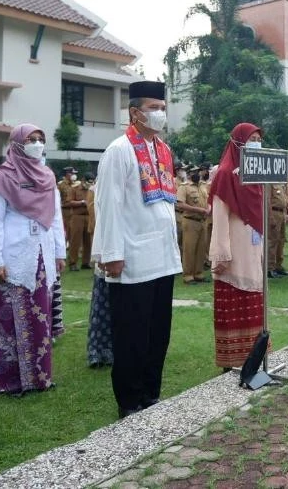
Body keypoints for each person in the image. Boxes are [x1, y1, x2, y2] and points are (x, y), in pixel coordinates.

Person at [92, 81, 182, 419]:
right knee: (132, 332)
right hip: (130, 256)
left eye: (162, 107)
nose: (160, 113)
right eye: (153, 107)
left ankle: (150, 392)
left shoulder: (163, 149)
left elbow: (165, 204)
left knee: (158, 331)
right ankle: (129, 400)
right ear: (135, 112)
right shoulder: (119, 149)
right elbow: (109, 205)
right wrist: (111, 252)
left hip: (162, 255)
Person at [0, 124, 65, 395]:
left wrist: (59, 253)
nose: (37, 143)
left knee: (40, 316)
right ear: (17, 143)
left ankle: (41, 378)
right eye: (31, 139)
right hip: (14, 255)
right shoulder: (1, 178)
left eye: (41, 139)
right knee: (11, 319)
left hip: (43, 252)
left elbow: (55, 218)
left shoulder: (47, 176)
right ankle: (11, 383)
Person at [208, 123, 269, 370]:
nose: (256, 143)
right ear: (238, 142)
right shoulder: (225, 173)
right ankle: (231, 361)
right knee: (236, 300)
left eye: (258, 138)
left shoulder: (255, 175)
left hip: (253, 249)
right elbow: (219, 218)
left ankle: (254, 358)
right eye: (251, 139)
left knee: (255, 299)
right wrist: (222, 254)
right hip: (234, 253)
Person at [178, 165, 209, 284]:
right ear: (189, 174)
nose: (196, 174)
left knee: (201, 249)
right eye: (193, 172)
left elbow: (208, 199)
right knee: (189, 249)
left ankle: (199, 273)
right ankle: (188, 275)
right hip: (190, 220)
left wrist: (208, 208)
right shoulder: (184, 187)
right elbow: (180, 204)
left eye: (197, 172)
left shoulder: (202, 185)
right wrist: (198, 210)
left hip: (203, 221)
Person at [60, 166, 92, 271]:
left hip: (88, 216)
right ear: (83, 180)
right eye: (88, 182)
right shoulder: (74, 189)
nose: (89, 185)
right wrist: (82, 202)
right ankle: (73, 263)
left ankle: (86, 262)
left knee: (88, 241)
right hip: (76, 216)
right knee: (75, 241)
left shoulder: (91, 189)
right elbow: (68, 202)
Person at [266, 183, 288, 277]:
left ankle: (278, 266)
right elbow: (267, 201)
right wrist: (270, 217)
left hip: (281, 212)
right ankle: (269, 268)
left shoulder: (279, 183)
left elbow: (284, 199)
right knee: (272, 241)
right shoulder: (269, 183)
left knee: (281, 240)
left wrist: (286, 212)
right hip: (274, 212)